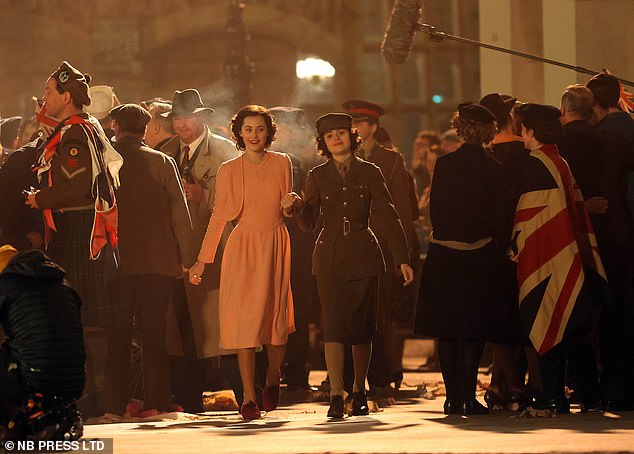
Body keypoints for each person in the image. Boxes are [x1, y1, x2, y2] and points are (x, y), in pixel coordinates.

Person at [285, 113, 413, 418]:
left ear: (351, 137)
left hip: (363, 254)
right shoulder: (317, 175)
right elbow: (309, 223)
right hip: (328, 257)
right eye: (330, 136)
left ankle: (359, 391)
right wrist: (296, 208)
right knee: (333, 326)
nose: (337, 139)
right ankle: (336, 394)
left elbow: (388, 215)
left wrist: (402, 259)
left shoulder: (370, 172)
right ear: (324, 143)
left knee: (361, 328)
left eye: (341, 133)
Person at [189, 105, 295, 420]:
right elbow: (219, 216)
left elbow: (286, 208)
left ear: (268, 133)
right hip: (242, 246)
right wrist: (201, 261)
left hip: (275, 243)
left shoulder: (282, 162)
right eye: (248, 129)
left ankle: (273, 374)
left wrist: (292, 205)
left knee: (275, 319)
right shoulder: (229, 169)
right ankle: (249, 395)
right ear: (239, 133)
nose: (253, 135)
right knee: (244, 319)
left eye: (259, 129)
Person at [414, 103, 511, 416]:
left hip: (443, 253)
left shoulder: (443, 164)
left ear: (459, 128)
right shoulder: (495, 168)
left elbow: (436, 212)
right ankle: (468, 398)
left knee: (448, 328)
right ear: (487, 131)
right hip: (479, 255)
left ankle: (452, 398)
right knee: (472, 328)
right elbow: (500, 217)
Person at [511, 103, 608, 413]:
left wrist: (514, 244)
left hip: (547, 259)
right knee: (573, 330)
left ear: (531, 131)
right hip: (567, 256)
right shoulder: (558, 160)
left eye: (523, 128)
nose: (520, 133)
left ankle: (553, 396)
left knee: (548, 320)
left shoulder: (535, 164)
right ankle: (590, 396)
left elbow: (530, 220)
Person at [101, 104, 195, 416]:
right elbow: (180, 214)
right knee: (155, 335)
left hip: (116, 261)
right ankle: (156, 402)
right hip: (158, 263)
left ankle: (114, 404)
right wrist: (187, 257)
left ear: (115, 127)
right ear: (145, 130)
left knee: (118, 334)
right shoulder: (163, 162)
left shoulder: (105, 162)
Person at [24, 61, 122, 329]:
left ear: (66, 97)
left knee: (75, 314)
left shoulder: (75, 133)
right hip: (79, 227)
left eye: (48, 91)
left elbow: (76, 188)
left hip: (76, 230)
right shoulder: (81, 127)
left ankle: (85, 371)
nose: (44, 98)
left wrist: (39, 199)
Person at [160, 89, 238, 411]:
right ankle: (188, 397)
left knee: (222, 324)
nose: (182, 125)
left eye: (188, 118)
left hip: (215, 248)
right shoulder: (164, 152)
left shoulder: (224, 151)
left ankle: (245, 391)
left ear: (203, 117)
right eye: (177, 119)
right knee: (181, 329)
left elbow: (235, 198)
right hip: (177, 250)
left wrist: (201, 194)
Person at [343, 99, 418, 394]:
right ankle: (352, 372)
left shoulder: (389, 160)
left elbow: (400, 208)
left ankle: (382, 370)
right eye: (352, 125)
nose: (355, 130)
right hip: (350, 244)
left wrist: (404, 253)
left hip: (381, 244)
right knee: (350, 308)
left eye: (360, 124)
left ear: (373, 127)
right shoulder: (342, 159)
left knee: (380, 309)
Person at [0, 245, 84, 441]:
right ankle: (52, 415)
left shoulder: (6, 284)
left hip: (35, 379)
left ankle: (9, 422)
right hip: (73, 383)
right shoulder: (64, 284)